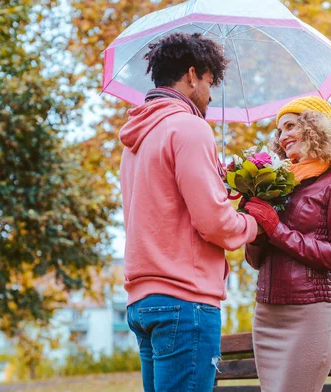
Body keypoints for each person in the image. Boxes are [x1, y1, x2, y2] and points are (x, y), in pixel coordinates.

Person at [119, 32, 258, 392]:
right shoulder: (190, 127)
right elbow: (215, 225)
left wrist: (216, 183)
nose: (211, 94)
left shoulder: (137, 138)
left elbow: (164, 211)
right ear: (192, 75)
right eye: (211, 82)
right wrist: (254, 222)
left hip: (143, 301)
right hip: (186, 300)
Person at [244, 96, 331, 392]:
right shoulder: (277, 185)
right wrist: (254, 224)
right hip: (267, 316)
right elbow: (255, 260)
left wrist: (276, 229)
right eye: (279, 131)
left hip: (309, 313)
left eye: (290, 126)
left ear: (316, 129)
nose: (282, 137)